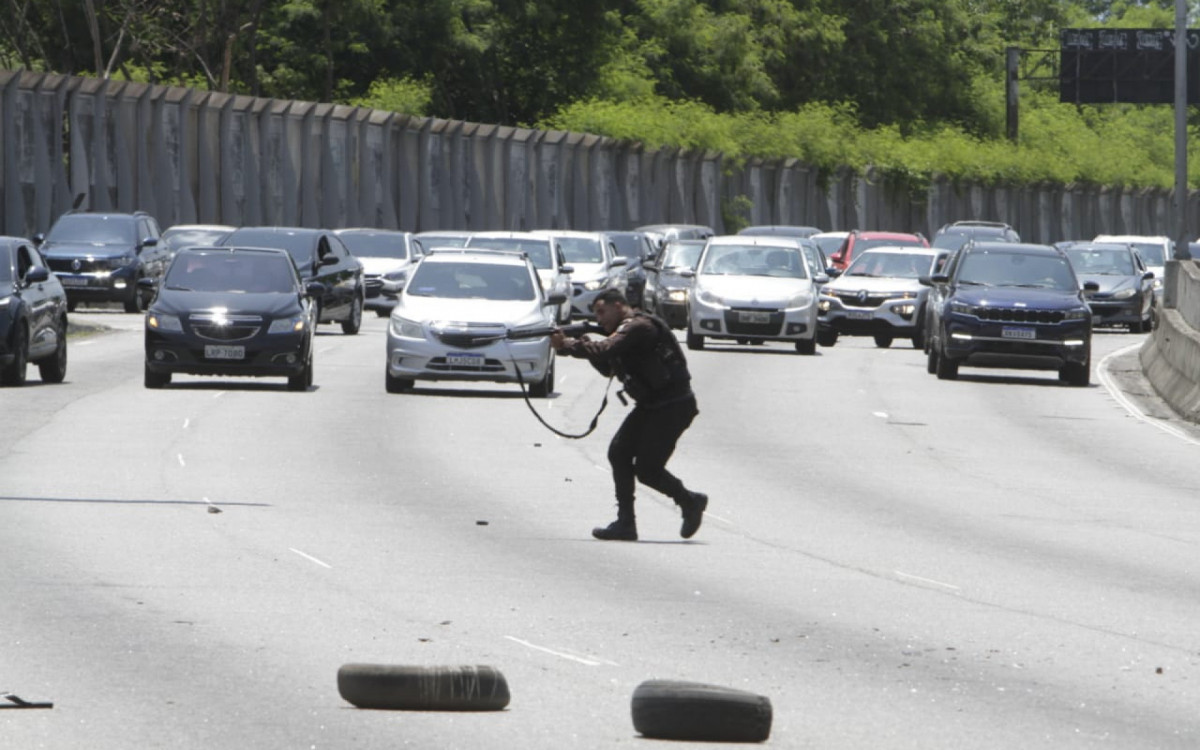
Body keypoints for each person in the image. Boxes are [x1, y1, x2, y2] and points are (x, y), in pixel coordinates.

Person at [550, 288, 707, 541]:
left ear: (619, 306)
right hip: (651, 405)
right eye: (596, 315)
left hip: (673, 406)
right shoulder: (622, 331)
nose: (599, 319)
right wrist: (580, 342)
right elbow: (607, 366)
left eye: (602, 312)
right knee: (619, 452)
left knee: (647, 469)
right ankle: (626, 523)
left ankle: (690, 501)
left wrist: (569, 344)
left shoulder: (638, 327)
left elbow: (605, 349)